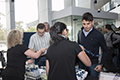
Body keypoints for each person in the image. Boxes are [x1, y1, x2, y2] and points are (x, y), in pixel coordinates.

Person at [77, 12, 108, 77]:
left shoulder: (99, 35)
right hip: (81, 63)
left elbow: (105, 50)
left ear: (92, 22)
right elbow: (79, 48)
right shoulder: (80, 33)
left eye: (88, 24)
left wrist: (101, 64)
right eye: (84, 24)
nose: (86, 26)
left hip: (93, 64)